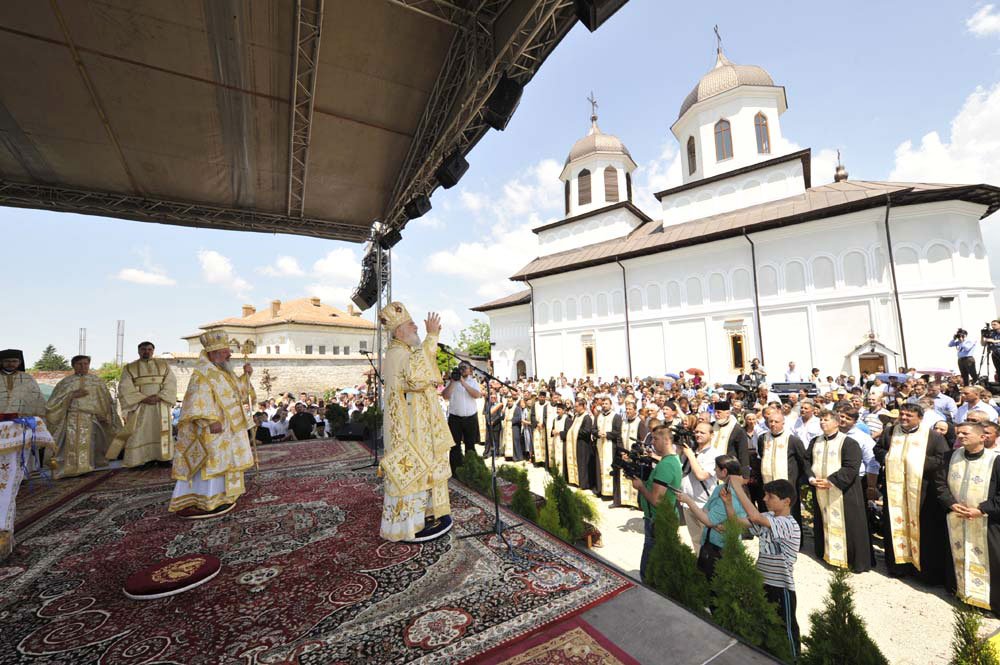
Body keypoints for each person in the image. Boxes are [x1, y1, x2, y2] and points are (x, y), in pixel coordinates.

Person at [377, 303, 453, 542]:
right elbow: (418, 378)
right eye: (411, 325)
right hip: (408, 430)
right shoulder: (397, 354)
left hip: (416, 425)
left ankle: (422, 516)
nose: (416, 327)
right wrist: (432, 337)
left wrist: (428, 341)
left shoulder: (403, 352)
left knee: (423, 471)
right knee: (413, 475)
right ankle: (409, 526)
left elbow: (422, 372)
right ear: (399, 331)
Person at [169, 331, 255, 517]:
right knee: (212, 462)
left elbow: (239, 393)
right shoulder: (202, 374)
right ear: (213, 353)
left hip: (230, 428)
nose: (229, 355)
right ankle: (205, 499)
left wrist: (246, 376)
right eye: (225, 352)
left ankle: (224, 496)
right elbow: (195, 401)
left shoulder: (223, 372)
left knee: (227, 461)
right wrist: (209, 420)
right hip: (213, 428)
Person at [724, 476, 802, 660]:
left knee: (787, 629)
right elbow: (736, 520)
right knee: (763, 626)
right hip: (761, 582)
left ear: (786, 501)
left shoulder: (789, 524)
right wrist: (728, 503)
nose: (765, 499)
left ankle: (794, 660)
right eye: (765, 495)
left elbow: (754, 516)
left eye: (770, 496)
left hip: (781, 588)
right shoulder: (767, 518)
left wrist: (737, 487)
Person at [874, 403, 951, 585]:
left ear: (920, 418)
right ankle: (898, 566)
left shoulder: (932, 437)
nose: (904, 418)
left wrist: (915, 462)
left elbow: (942, 459)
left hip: (922, 492)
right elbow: (878, 449)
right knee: (895, 525)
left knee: (924, 529)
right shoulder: (891, 432)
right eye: (902, 414)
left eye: (909, 415)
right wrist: (890, 457)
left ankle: (923, 572)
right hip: (895, 490)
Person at [939, 422, 1000, 611]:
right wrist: (950, 503)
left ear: (983, 437)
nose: (961, 436)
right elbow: (940, 484)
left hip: (986, 521)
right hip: (956, 517)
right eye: (959, 433)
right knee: (957, 553)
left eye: (966, 433)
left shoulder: (996, 461)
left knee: (991, 560)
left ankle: (989, 603)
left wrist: (982, 509)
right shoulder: (950, 456)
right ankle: (962, 592)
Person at [0, 349, 53, 561]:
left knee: (14, 466)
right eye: (7, 360)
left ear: (19, 362)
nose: (11, 364)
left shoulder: (27, 379)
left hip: (17, 428)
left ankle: (15, 481)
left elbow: (36, 402)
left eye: (15, 361)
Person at [807, 409, 872, 572]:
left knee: (849, 525)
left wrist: (831, 481)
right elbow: (806, 461)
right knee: (823, 521)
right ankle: (827, 553)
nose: (822, 422)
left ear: (836, 423)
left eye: (826, 420)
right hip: (820, 490)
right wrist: (811, 478)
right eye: (821, 419)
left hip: (844, 492)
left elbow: (851, 467)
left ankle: (850, 560)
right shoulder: (815, 441)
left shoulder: (849, 443)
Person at [46, 355, 121, 479]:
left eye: (86, 364)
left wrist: (104, 414)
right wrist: (71, 395)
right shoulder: (65, 382)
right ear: (73, 366)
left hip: (91, 417)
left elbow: (106, 401)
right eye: (79, 364)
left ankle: (87, 466)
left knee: (90, 443)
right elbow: (53, 402)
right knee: (70, 444)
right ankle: (69, 468)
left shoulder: (96, 381)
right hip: (71, 417)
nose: (83, 366)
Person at [676, 455, 747, 579]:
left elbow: (708, 519)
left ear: (724, 471)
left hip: (722, 549)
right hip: (710, 543)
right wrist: (715, 524)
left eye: (716, 469)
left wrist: (688, 501)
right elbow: (705, 511)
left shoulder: (732, 494)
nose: (714, 471)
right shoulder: (720, 488)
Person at [114, 341, 177, 467]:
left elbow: (171, 383)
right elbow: (124, 387)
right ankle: (140, 460)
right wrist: (143, 398)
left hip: (160, 406)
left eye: (149, 349)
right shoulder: (129, 367)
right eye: (143, 349)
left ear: (153, 351)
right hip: (140, 406)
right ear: (138, 351)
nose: (146, 352)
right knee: (139, 432)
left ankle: (163, 458)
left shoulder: (163, 365)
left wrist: (159, 396)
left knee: (161, 430)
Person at [632, 425, 683, 581]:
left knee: (650, 562)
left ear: (667, 440)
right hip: (660, 517)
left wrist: (640, 486)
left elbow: (656, 500)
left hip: (657, 519)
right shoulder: (670, 460)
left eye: (656, 439)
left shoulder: (666, 465)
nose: (652, 442)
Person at [756, 409, 809, 527]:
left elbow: (803, 461)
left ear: (783, 423)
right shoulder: (763, 439)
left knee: (790, 515)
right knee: (770, 514)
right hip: (768, 485)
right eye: (770, 421)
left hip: (787, 485)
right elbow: (761, 455)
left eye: (776, 421)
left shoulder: (793, 440)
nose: (773, 424)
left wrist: (796, 479)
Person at [677, 421, 718, 554]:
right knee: (695, 539)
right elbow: (680, 469)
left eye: (702, 432)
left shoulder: (714, 454)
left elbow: (701, 475)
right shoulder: (691, 450)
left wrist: (690, 455)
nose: (698, 435)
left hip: (704, 504)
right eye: (696, 432)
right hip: (688, 503)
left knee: (708, 540)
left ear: (712, 435)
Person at [442, 361, 482, 473]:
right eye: (460, 367)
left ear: (470, 370)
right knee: (455, 446)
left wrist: (463, 382)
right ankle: (455, 471)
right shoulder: (452, 382)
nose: (462, 369)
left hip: (470, 418)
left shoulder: (473, 382)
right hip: (455, 419)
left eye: (465, 367)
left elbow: (476, 395)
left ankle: (471, 470)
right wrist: (454, 382)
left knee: (470, 446)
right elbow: (445, 396)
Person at [618, 399, 648, 508]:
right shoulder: (623, 422)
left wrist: (633, 453)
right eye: (626, 409)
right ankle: (625, 500)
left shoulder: (640, 423)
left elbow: (643, 440)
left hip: (635, 457)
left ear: (635, 411)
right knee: (625, 476)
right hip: (624, 455)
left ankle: (635, 502)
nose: (628, 411)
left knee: (634, 477)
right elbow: (619, 438)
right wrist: (622, 452)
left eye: (630, 409)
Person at [710, 400, 750, 474]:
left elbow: (743, 454)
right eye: (715, 412)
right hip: (711, 467)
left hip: (729, 470)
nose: (716, 414)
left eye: (719, 412)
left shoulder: (737, 430)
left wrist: (745, 475)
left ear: (727, 413)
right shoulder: (712, 426)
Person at [596, 396, 622, 500]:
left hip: (610, 446)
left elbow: (617, 432)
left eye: (606, 403)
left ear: (610, 404)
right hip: (599, 445)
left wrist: (606, 434)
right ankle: (600, 489)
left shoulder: (616, 416)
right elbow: (593, 429)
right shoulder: (598, 416)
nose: (604, 405)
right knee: (599, 467)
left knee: (608, 467)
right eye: (603, 404)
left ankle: (610, 492)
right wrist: (597, 433)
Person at [566, 397, 595, 489]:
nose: (575, 408)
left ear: (583, 406)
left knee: (583, 464)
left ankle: (584, 484)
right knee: (577, 462)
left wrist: (576, 432)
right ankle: (576, 480)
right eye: (575, 406)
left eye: (577, 406)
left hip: (583, 445)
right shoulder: (576, 416)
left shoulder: (587, 418)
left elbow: (587, 431)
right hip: (576, 444)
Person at [551, 400, 571, 478]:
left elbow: (568, 432)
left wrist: (559, 432)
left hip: (563, 442)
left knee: (563, 459)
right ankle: (557, 473)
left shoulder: (567, 419)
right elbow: (553, 429)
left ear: (563, 410)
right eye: (557, 409)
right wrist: (553, 431)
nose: (557, 411)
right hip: (556, 442)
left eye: (559, 409)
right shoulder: (555, 419)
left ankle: (563, 476)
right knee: (556, 457)